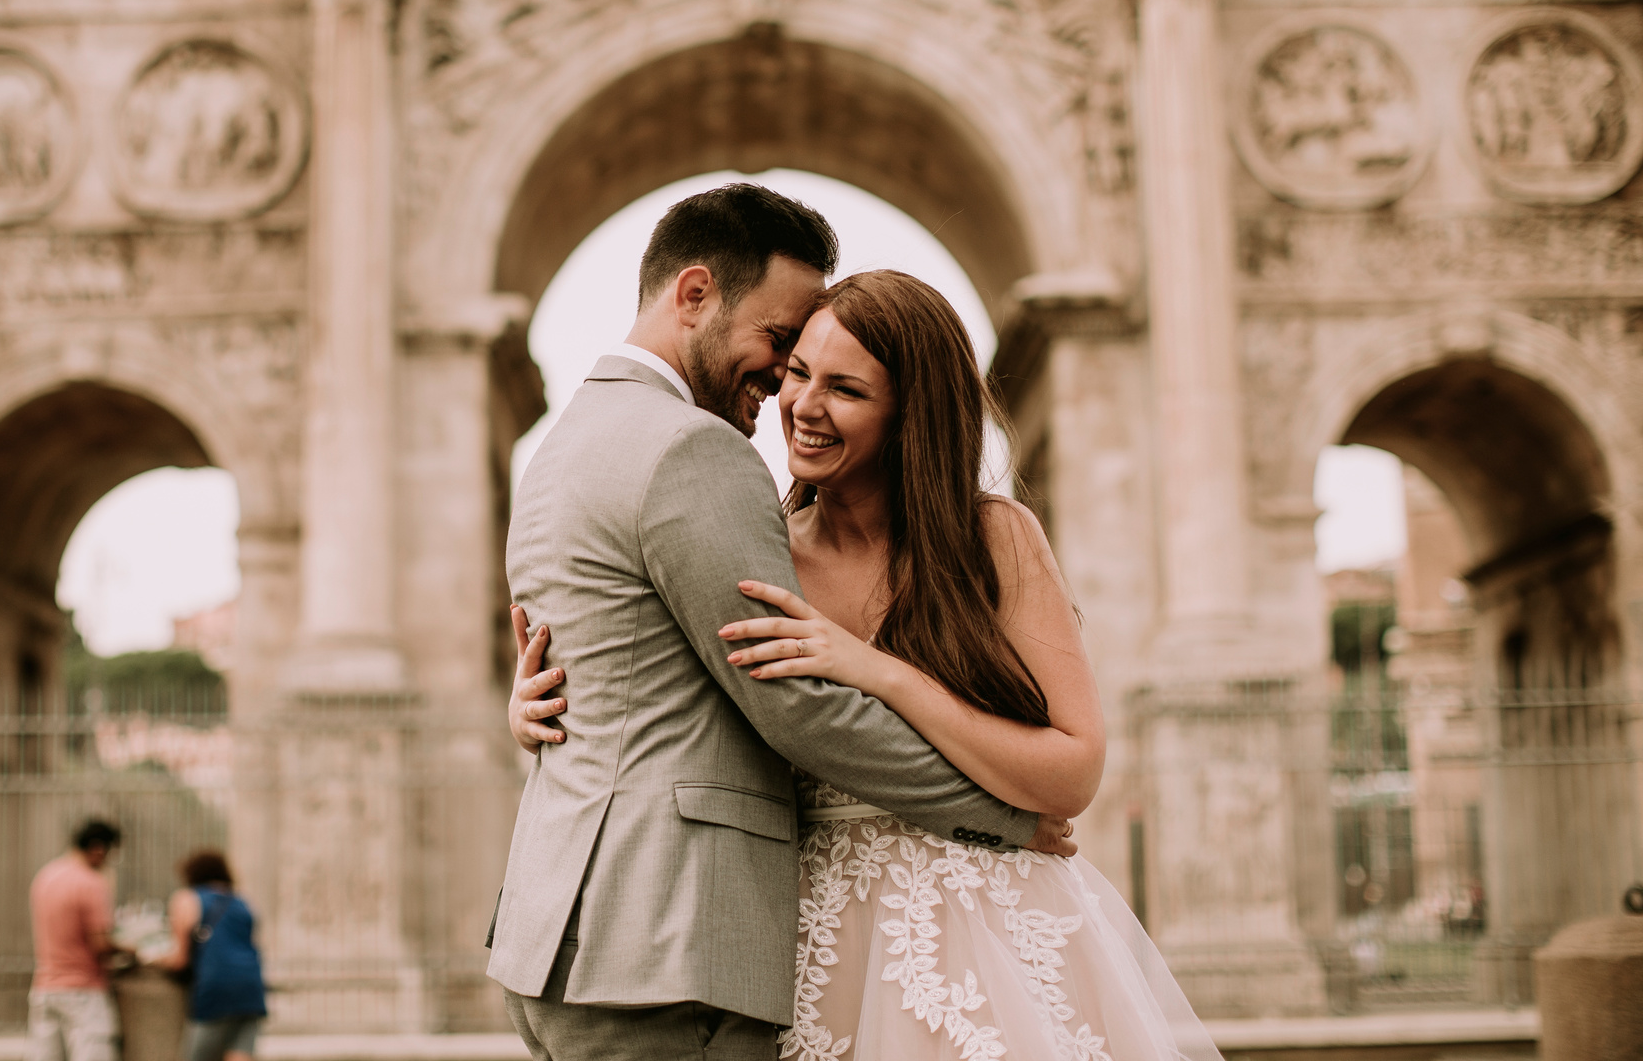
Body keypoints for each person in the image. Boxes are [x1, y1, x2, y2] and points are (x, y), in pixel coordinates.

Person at [512, 269, 1222, 1060]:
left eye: (845, 389)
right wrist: (539, 706)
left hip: (977, 926)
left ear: (910, 415)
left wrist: (881, 672)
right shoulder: (759, 556)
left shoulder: (995, 538)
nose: (803, 406)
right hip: (795, 939)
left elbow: (1073, 773)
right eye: (798, 374)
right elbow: (661, 692)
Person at [28, 818, 131, 1061]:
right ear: (97, 849)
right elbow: (100, 944)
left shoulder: (45, 876)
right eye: (109, 854)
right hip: (83, 992)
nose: (107, 862)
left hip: (45, 989)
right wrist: (131, 950)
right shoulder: (91, 883)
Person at [156, 849, 268, 1061]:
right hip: (251, 986)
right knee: (240, 1055)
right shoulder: (243, 902)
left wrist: (154, 959)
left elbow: (179, 960)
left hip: (216, 987)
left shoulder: (187, 899)